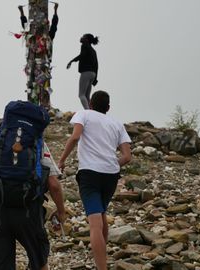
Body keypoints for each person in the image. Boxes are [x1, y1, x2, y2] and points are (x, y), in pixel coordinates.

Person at [0, 128, 65, 270]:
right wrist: (61, 212)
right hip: (28, 208)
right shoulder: (36, 141)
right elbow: (53, 184)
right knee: (39, 258)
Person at [58, 91, 131, 270]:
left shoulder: (84, 114)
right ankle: (101, 258)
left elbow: (75, 136)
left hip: (90, 172)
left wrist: (61, 160)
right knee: (102, 214)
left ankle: (101, 267)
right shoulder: (117, 123)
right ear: (108, 107)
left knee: (95, 223)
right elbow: (127, 156)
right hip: (110, 175)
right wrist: (113, 163)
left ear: (90, 103)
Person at [67, 33, 99, 110]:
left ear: (86, 40)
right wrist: (95, 78)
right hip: (93, 74)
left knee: (81, 95)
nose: (81, 38)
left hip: (86, 73)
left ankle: (88, 111)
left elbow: (82, 55)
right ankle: (92, 111)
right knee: (87, 96)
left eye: (83, 37)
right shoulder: (93, 51)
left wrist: (72, 61)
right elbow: (96, 65)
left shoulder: (84, 45)